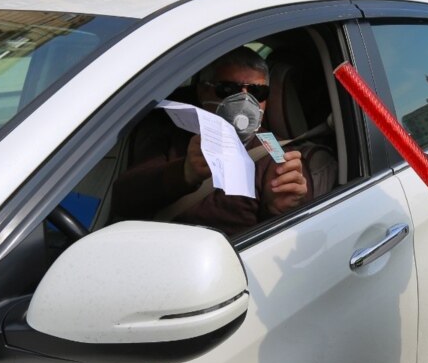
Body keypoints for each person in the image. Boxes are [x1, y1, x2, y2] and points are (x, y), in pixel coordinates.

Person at [111, 46, 311, 237]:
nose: (244, 101)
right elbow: (123, 199)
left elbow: (297, 219)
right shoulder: (170, 131)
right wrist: (184, 173)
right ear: (203, 91)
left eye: (257, 92)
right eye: (228, 89)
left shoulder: (272, 146)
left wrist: (283, 206)